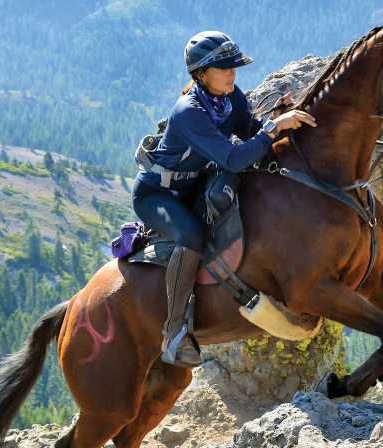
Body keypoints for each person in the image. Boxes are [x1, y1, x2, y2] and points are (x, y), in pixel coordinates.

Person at [132, 30, 316, 367]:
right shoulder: (188, 111)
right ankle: (174, 332)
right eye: (224, 68)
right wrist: (273, 128)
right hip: (157, 194)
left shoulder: (231, 97)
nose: (233, 73)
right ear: (201, 74)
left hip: (193, 183)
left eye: (234, 66)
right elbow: (233, 159)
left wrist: (276, 118)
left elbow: (251, 132)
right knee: (190, 234)